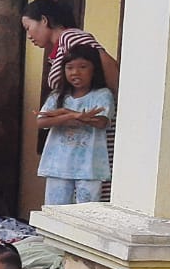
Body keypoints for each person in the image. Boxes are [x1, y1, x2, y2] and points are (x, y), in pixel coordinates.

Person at [35, 44, 113, 205]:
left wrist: (65, 114)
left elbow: (101, 122)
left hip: (89, 167)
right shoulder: (57, 96)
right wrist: (71, 115)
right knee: (55, 213)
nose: (75, 72)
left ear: (94, 70)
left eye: (83, 67)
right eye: (69, 68)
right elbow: (41, 121)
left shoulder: (102, 95)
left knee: (86, 214)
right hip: (58, 166)